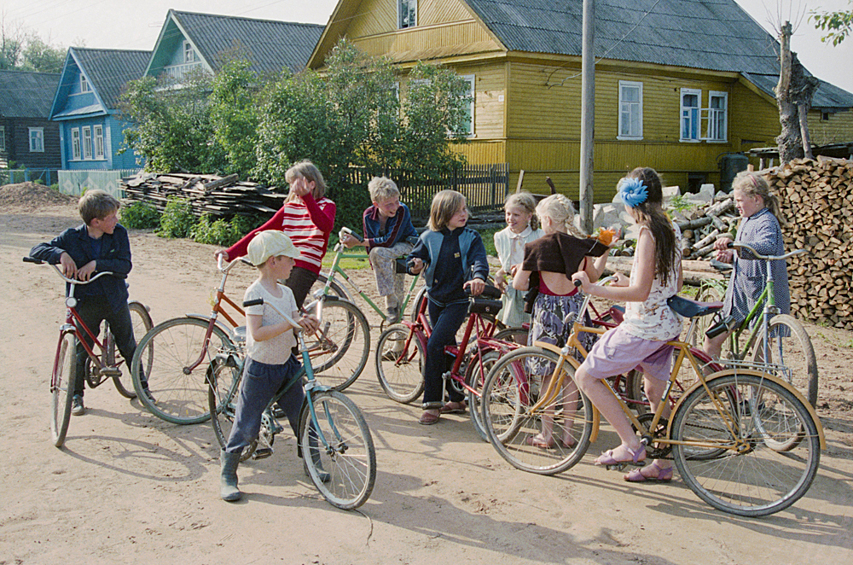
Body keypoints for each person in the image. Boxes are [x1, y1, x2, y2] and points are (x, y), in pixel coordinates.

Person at [572, 167, 683, 483]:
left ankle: (630, 444)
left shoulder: (649, 232)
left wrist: (596, 289)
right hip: (667, 324)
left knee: (586, 376)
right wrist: (629, 280)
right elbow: (675, 280)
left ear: (633, 201)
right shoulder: (670, 227)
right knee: (654, 393)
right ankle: (662, 465)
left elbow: (641, 292)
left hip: (645, 326)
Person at [219, 230, 320, 502]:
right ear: (273, 261)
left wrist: (307, 324)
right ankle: (228, 472)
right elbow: (257, 333)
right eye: (289, 259)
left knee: (302, 416)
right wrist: (290, 323)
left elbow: (295, 317)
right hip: (261, 368)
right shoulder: (255, 292)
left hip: (285, 364)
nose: (293, 264)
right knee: (247, 424)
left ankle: (312, 462)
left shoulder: (286, 292)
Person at [29, 190, 151, 415]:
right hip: (85, 301)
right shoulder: (72, 237)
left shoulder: (118, 234)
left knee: (128, 346)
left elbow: (125, 266)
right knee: (80, 349)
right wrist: (61, 255)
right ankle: (77, 395)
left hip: (114, 299)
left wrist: (96, 264)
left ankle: (143, 389)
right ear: (96, 221)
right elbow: (37, 250)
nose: (116, 220)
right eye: (112, 217)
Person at [512, 193, 610, 448]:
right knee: (571, 375)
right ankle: (568, 434)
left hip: (547, 312)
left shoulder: (536, 247)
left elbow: (519, 283)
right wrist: (606, 251)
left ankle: (546, 434)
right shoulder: (580, 247)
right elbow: (594, 276)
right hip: (575, 310)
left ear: (546, 219)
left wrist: (528, 272)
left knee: (546, 375)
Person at [407, 190, 488, 425]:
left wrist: (479, 277)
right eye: (459, 210)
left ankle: (432, 403)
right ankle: (457, 397)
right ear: (443, 213)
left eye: (465, 209)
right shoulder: (428, 236)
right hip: (435, 298)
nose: (465, 213)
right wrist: (415, 264)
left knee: (434, 345)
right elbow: (413, 259)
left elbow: (479, 261)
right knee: (447, 346)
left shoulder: (471, 237)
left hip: (458, 300)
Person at [216, 160, 336, 308]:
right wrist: (231, 253)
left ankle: (291, 326)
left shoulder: (327, 205)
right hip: (283, 263)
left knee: (285, 311)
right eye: (291, 184)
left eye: (296, 184)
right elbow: (261, 232)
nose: (293, 188)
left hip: (305, 265)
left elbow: (325, 225)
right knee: (270, 305)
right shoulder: (289, 208)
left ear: (311, 184)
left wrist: (307, 198)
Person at [704, 171, 789, 360]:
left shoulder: (766, 221)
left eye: (740, 200)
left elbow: (767, 247)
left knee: (759, 350)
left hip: (758, 297)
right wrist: (732, 254)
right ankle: (712, 388)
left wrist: (735, 246)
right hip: (739, 299)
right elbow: (746, 253)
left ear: (757, 199)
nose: (736, 205)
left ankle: (757, 389)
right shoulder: (747, 219)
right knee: (711, 339)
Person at [340, 176, 418, 323]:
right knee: (395, 291)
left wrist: (358, 242)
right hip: (385, 253)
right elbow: (370, 244)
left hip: (406, 246)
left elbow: (389, 241)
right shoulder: (368, 215)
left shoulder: (402, 210)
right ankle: (392, 310)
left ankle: (392, 307)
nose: (394, 207)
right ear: (376, 204)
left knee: (397, 291)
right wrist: (375, 265)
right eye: (388, 204)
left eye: (396, 201)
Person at [493, 191, 544, 327]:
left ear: (528, 216)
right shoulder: (500, 237)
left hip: (533, 287)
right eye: (508, 214)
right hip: (512, 289)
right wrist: (499, 274)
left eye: (516, 215)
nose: (511, 218)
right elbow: (506, 265)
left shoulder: (539, 235)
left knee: (533, 328)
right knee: (515, 328)